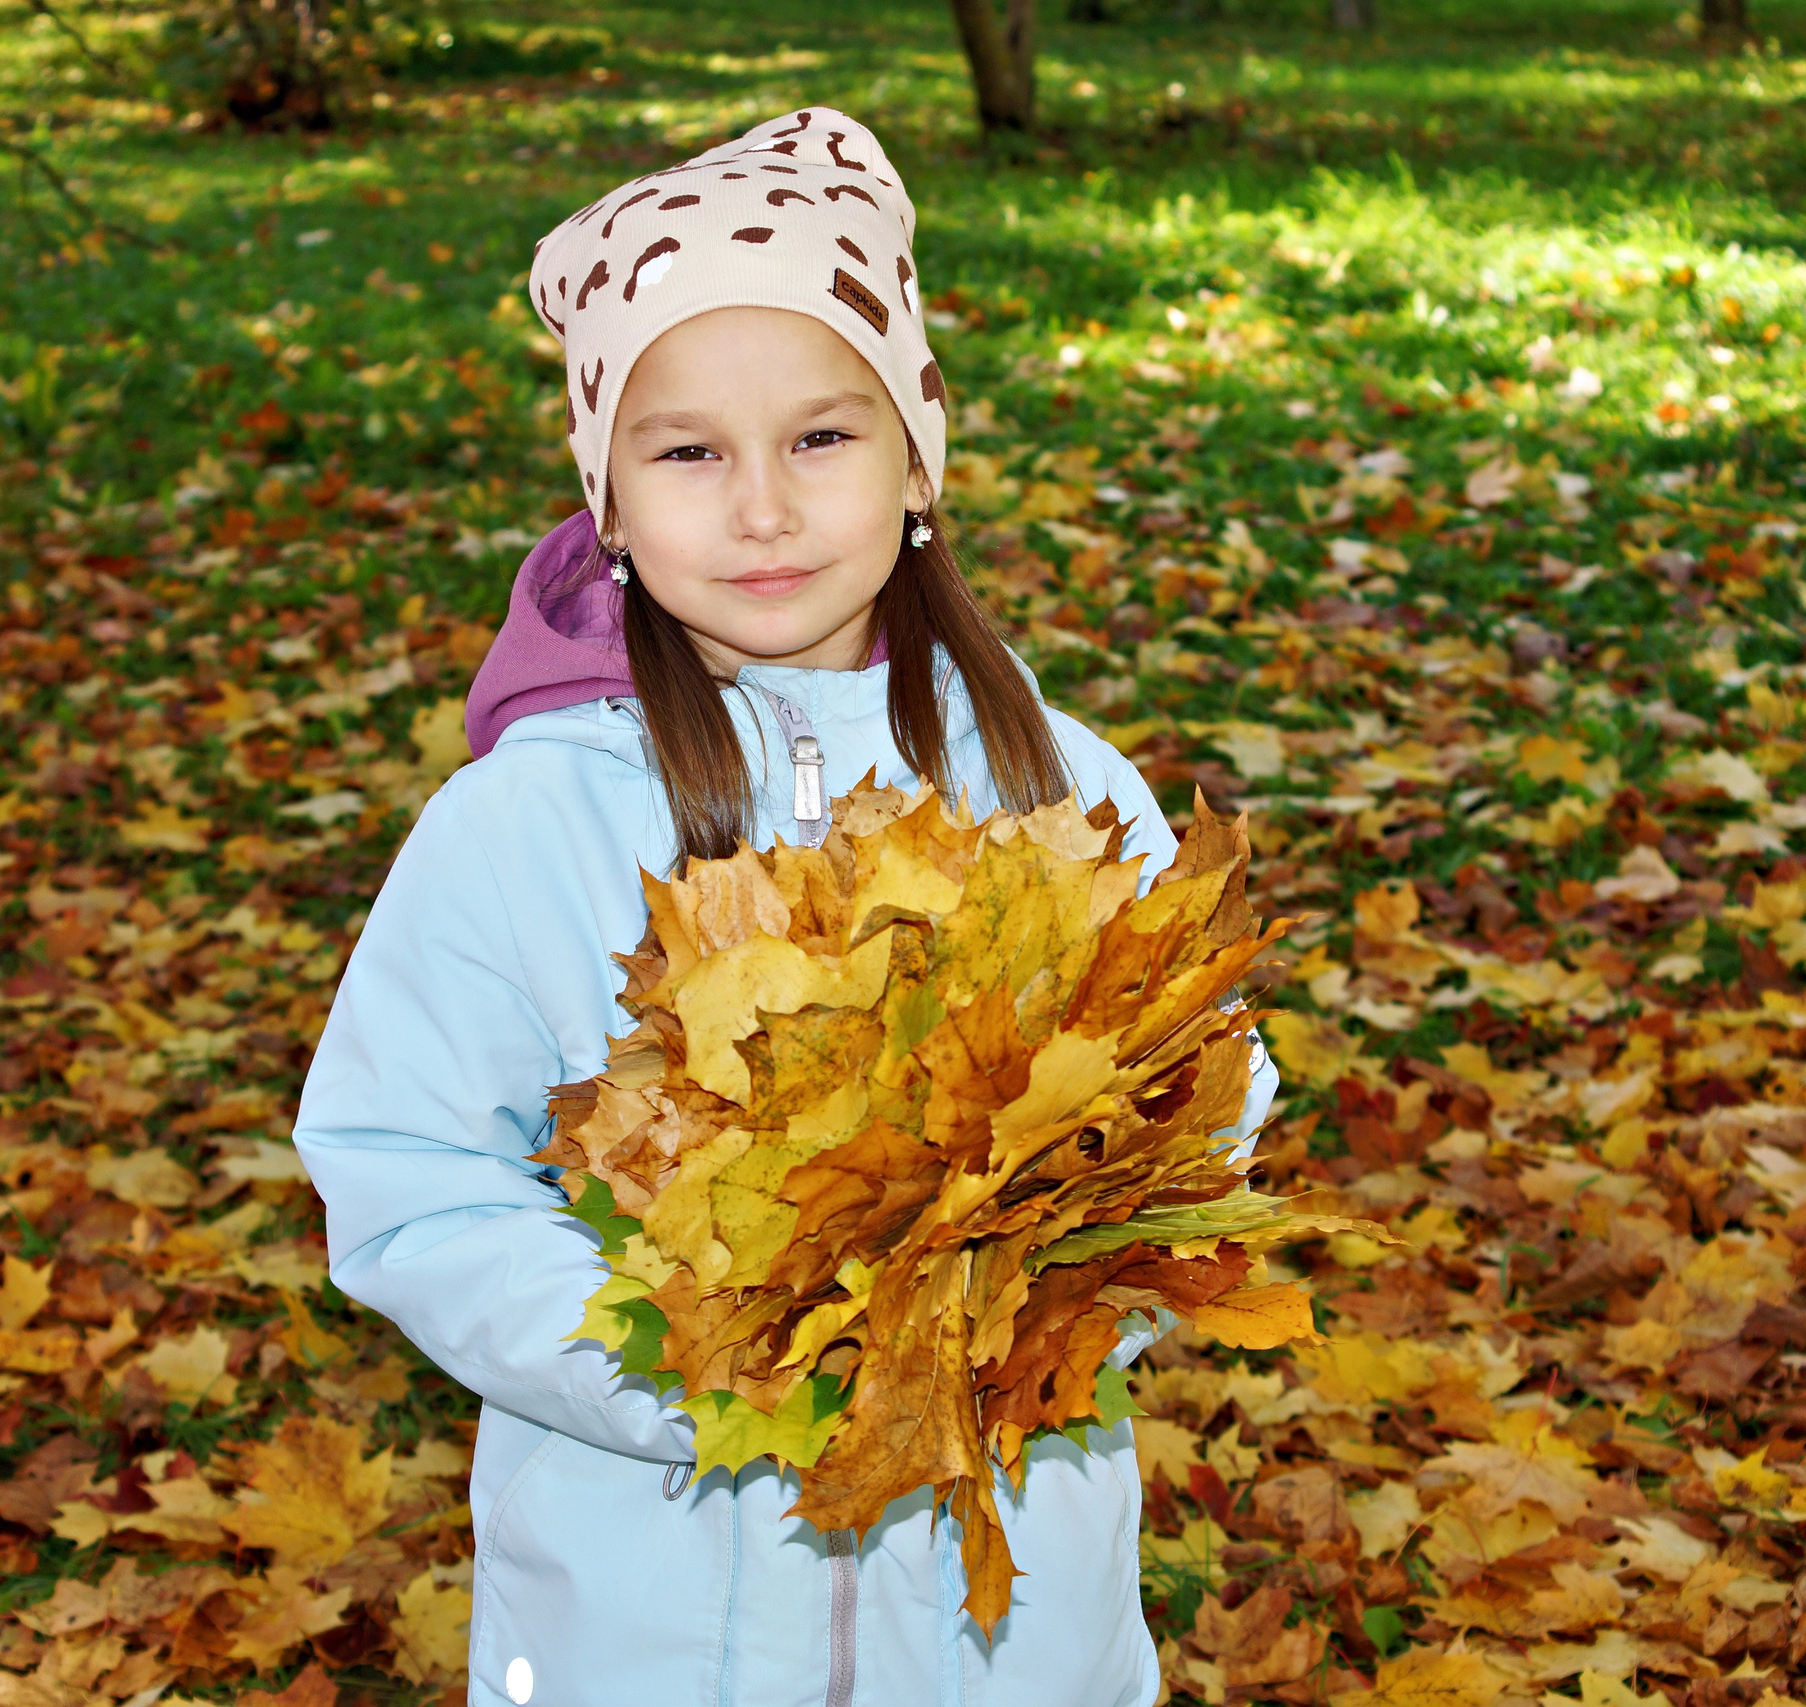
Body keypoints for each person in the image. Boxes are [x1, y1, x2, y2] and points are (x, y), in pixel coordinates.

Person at [293, 106, 1279, 1707]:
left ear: (917, 463)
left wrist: (1029, 1324)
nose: (760, 508)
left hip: (1007, 1638)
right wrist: (683, 1359)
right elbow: (408, 1171)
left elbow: (1201, 1104)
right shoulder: (524, 826)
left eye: (822, 438)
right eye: (688, 452)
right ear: (607, 499)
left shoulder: (1063, 796)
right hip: (644, 1631)